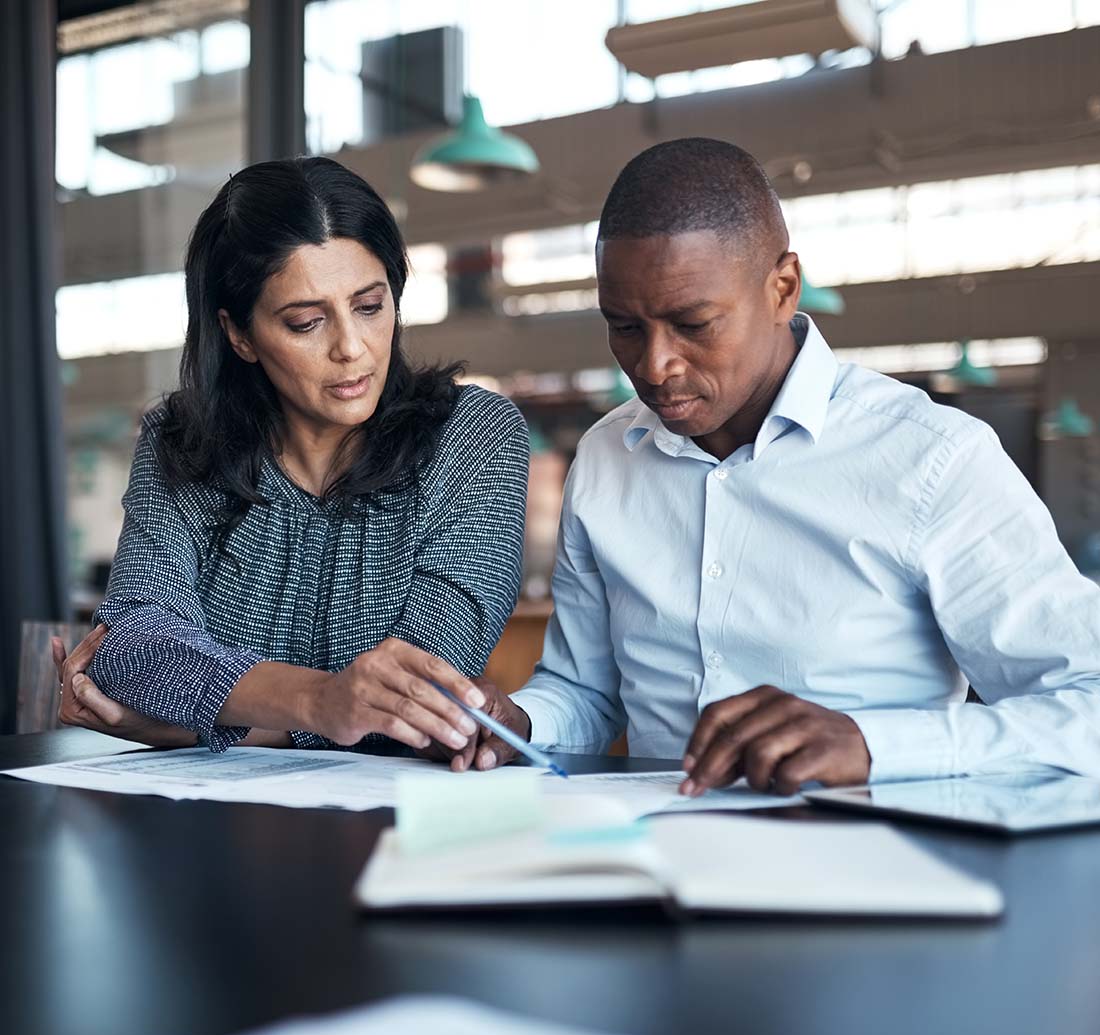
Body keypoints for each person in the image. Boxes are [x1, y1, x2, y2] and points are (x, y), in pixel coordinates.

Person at [462, 137, 1100, 795]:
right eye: (624, 326)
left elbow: (1088, 704)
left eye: (694, 323)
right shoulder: (605, 458)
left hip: (869, 868)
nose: (654, 366)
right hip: (653, 859)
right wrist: (519, 722)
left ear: (783, 288)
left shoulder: (931, 459)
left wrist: (872, 746)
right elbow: (586, 692)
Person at [54, 156, 528, 764]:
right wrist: (322, 700)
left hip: (387, 831)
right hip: (208, 827)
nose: (352, 349)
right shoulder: (180, 440)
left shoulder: (472, 436)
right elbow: (132, 646)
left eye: (370, 306)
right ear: (239, 335)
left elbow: (418, 695)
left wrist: (193, 721)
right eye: (306, 322)